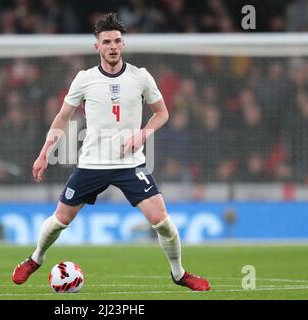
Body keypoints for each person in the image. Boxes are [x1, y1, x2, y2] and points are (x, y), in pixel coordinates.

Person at [11, 13, 210, 291]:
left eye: (117, 41)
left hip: (130, 163)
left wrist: (143, 133)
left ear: (123, 44)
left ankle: (179, 274)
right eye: (107, 42)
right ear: (97, 47)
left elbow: (162, 113)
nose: (113, 46)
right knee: (60, 221)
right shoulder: (84, 79)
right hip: (92, 163)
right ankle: (35, 259)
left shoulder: (141, 77)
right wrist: (45, 152)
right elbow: (62, 117)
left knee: (162, 222)